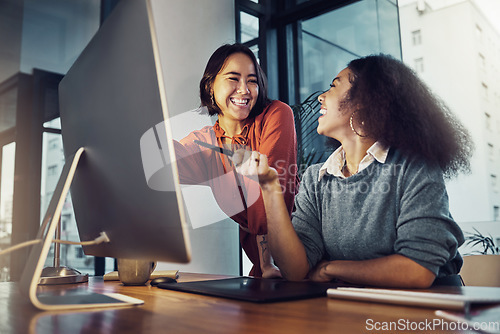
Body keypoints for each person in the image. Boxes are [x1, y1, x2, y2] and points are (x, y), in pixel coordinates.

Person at [233, 54, 473, 288]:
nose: (321, 97)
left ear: (364, 101)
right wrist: (269, 187)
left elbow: (417, 271)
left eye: (333, 86)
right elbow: (295, 270)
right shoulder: (316, 179)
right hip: (357, 308)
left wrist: (330, 269)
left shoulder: (413, 167)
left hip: (432, 310)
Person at [174, 43, 299, 278]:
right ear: (210, 86)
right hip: (265, 269)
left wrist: (267, 265)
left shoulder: (276, 114)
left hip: (299, 257)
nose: (244, 90)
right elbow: (165, 165)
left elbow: (268, 193)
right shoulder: (205, 141)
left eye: (252, 81)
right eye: (233, 78)